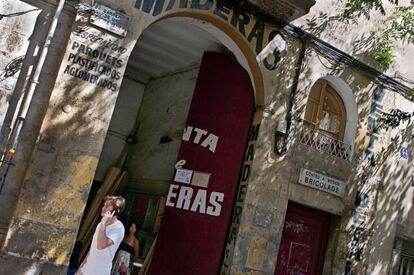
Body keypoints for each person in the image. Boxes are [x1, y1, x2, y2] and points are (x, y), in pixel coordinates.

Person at [76, 196, 126, 275]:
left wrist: (103, 222)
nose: (103, 208)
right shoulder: (100, 225)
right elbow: (93, 248)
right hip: (84, 271)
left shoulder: (119, 228)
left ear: (116, 211)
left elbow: (100, 245)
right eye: (104, 205)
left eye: (107, 206)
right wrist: (81, 267)